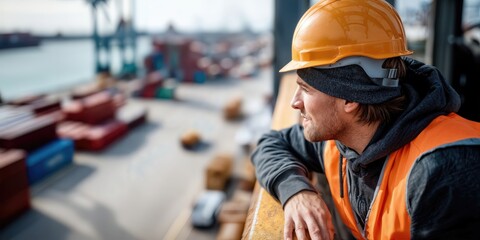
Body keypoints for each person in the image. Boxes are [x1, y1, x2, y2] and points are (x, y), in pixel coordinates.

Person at [251, 0, 480, 239]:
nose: (294, 102)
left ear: (350, 98)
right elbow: (271, 143)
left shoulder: (445, 170)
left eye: (306, 89)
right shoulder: (338, 143)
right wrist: (295, 191)